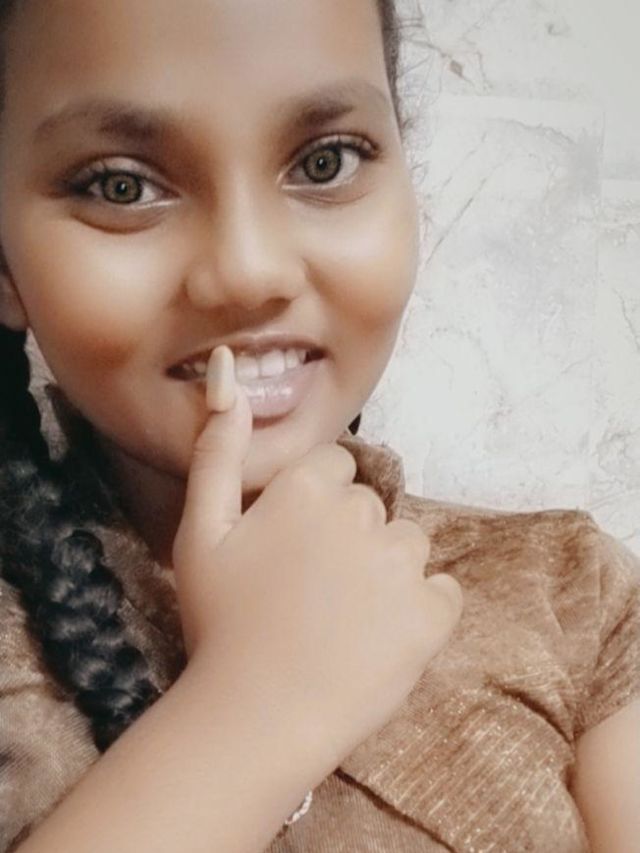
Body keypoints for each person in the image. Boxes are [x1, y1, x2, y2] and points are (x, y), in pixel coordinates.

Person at [0, 0, 637, 851]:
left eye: (325, 162)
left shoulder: (573, 596)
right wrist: (250, 710)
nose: (248, 271)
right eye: (122, 186)